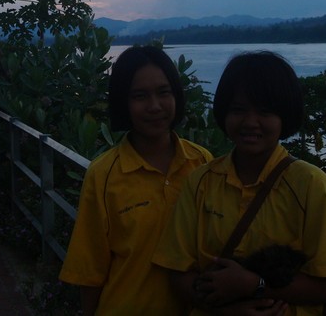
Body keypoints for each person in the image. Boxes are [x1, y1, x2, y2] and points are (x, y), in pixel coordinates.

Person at [153, 51, 326, 316]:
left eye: (265, 112)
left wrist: (255, 285)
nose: (250, 122)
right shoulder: (200, 182)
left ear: (284, 116)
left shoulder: (312, 186)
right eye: (238, 110)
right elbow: (177, 272)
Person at [59, 45, 213, 315]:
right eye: (140, 96)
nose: (154, 106)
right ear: (123, 102)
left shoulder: (202, 163)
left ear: (176, 95)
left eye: (163, 92)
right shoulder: (104, 174)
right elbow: (90, 270)